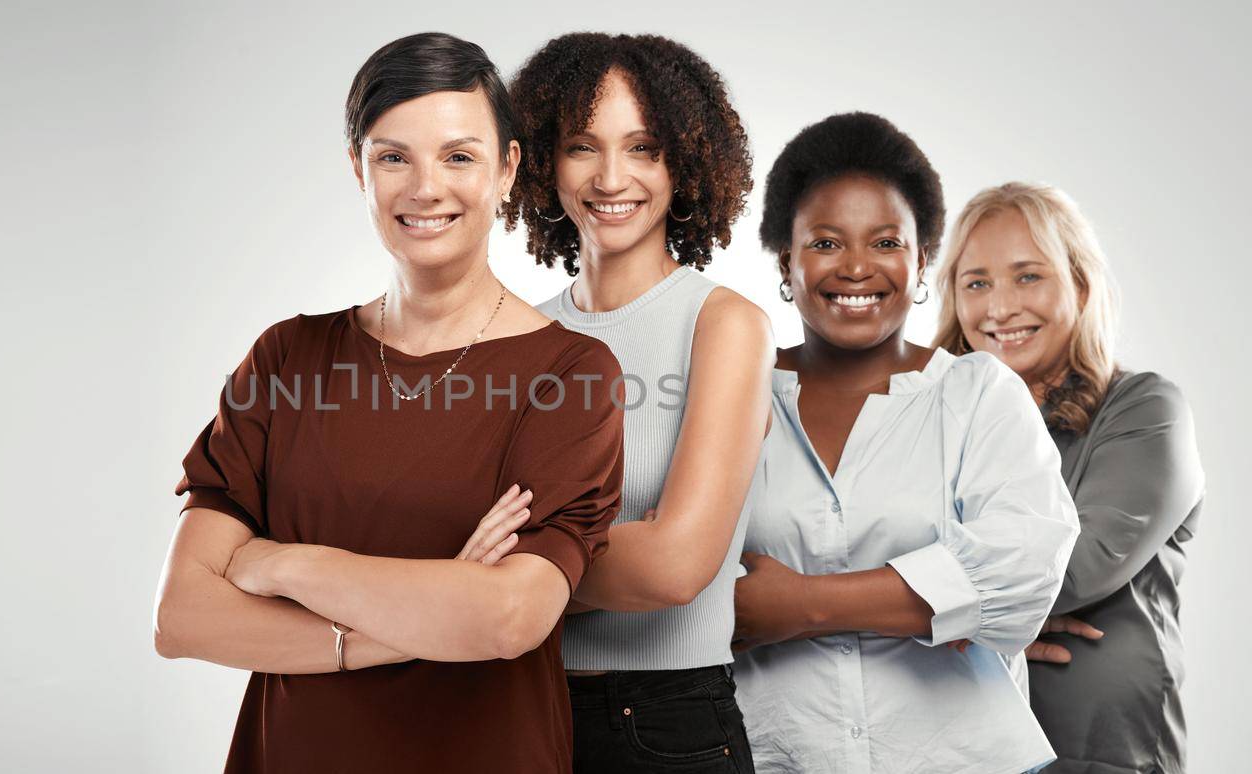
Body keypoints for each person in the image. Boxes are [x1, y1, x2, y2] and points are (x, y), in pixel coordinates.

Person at [151, 32, 627, 774]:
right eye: (393, 156)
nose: (424, 187)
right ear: (358, 170)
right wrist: (426, 616)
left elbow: (507, 618)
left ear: (507, 171)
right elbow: (183, 618)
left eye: (459, 156)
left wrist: (283, 564)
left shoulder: (568, 373)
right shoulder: (287, 358)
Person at [730, 112, 1080, 773]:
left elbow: (1020, 573)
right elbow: (687, 589)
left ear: (922, 259)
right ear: (786, 259)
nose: (857, 267)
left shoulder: (979, 395)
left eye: (886, 242)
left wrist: (797, 606)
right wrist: (929, 599)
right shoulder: (728, 396)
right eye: (826, 242)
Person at [488, 32, 772, 773]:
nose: (612, 177)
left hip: (667, 725)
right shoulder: (518, 334)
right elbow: (454, 534)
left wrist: (504, 574)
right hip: (515, 712)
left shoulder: (725, 324)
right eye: (584, 146)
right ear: (544, 161)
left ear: (686, 160)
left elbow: (677, 566)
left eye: (643, 147)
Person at [933, 181, 1205, 773]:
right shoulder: (931, 423)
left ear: (1080, 287)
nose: (1000, 307)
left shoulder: (1143, 409)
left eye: (1028, 276)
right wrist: (997, 625)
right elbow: (855, 545)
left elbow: (1077, 565)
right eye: (976, 282)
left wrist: (949, 621)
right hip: (952, 744)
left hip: (1098, 751)